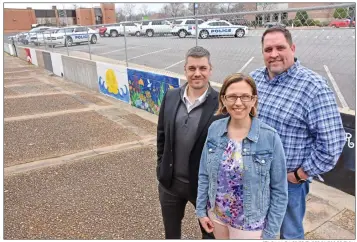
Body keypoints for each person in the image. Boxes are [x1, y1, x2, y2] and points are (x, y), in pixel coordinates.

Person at [250, 27, 346, 239]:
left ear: (292, 48)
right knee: (253, 230)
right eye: (268, 49)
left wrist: (299, 175)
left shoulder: (314, 88)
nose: (274, 54)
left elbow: (332, 145)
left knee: (290, 234)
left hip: (288, 183)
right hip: (253, 176)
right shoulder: (254, 79)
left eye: (280, 47)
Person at [196, 73, 288, 239]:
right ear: (223, 99)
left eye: (245, 96)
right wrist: (201, 211)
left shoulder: (270, 137)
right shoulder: (214, 129)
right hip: (217, 216)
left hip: (249, 225)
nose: (238, 103)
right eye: (232, 97)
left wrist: (270, 233)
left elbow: (280, 191)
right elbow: (204, 174)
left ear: (253, 100)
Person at [157, 46, 226, 239]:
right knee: (171, 235)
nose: (197, 73)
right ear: (185, 69)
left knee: (210, 236)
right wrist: (160, 168)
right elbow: (161, 136)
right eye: (192, 68)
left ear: (210, 70)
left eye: (202, 68)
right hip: (170, 185)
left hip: (204, 189)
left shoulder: (222, 103)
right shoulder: (170, 97)